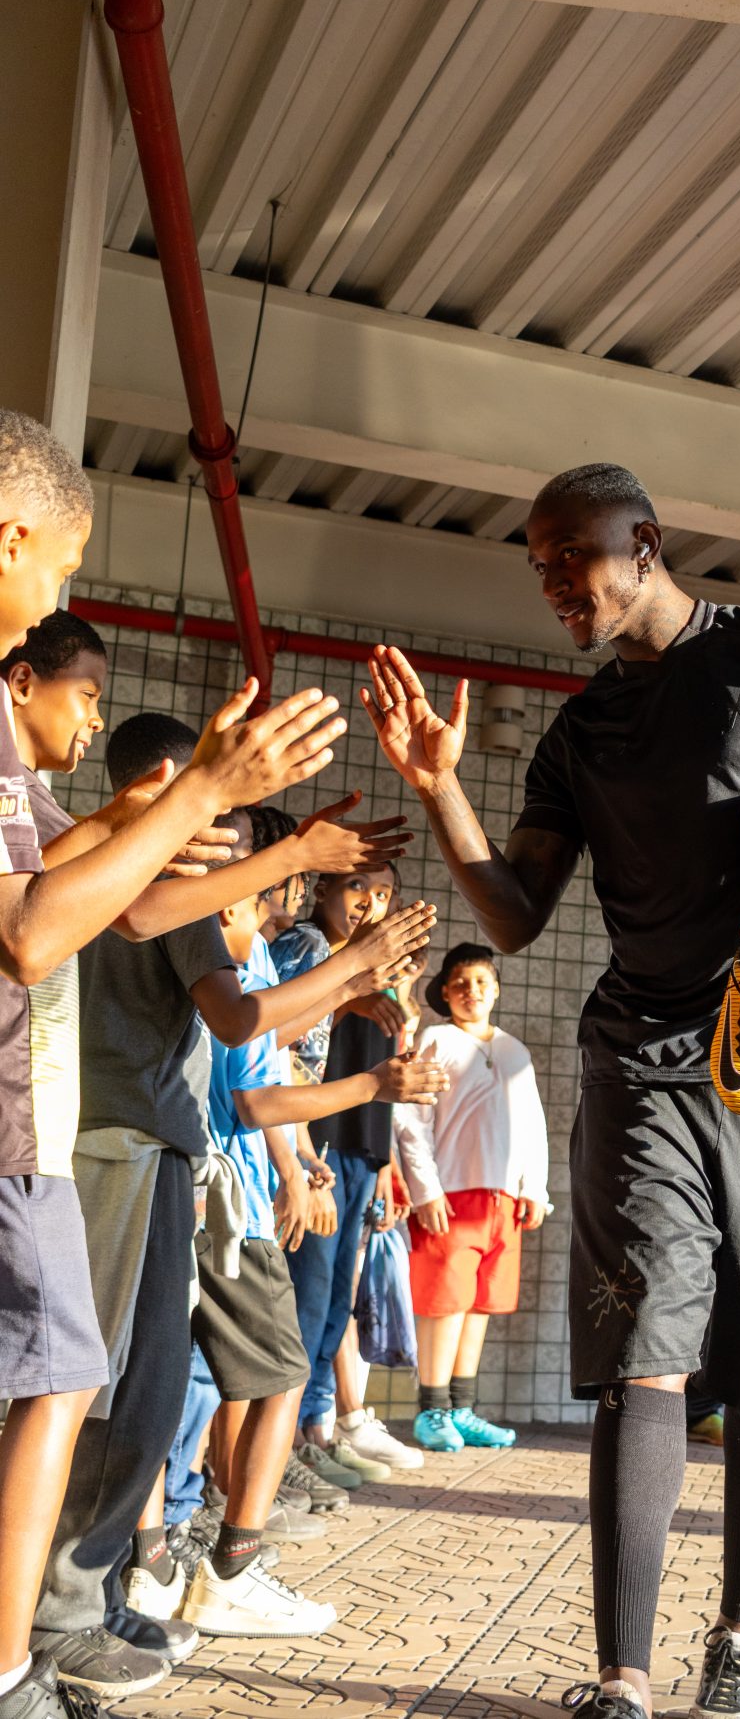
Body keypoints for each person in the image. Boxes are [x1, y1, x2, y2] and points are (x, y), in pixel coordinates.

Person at [361, 462, 740, 1719]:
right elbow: (515, 916)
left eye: (569, 556)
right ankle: (623, 1679)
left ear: (643, 542)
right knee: (646, 1354)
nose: (551, 584)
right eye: (536, 565)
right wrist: (438, 787)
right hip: (640, 1057)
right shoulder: (581, 734)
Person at [0, 411, 353, 1719]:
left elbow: (64, 884)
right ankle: (31, 1645)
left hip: (84, 1130)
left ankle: (59, 1620)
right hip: (71, 1131)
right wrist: (206, 804)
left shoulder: (51, 787)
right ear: (11, 539)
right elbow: (54, 928)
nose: (61, 594)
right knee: (69, 1383)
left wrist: (175, 818)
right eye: (60, 566)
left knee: (99, 1384)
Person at [32, 712, 435, 1699]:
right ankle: (64, 1615)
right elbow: (239, 1021)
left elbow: (238, 1020)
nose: (236, 817)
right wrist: (348, 961)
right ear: (172, 783)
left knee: (132, 1393)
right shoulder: (151, 876)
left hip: (139, 1147)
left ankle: (95, 1596)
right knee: (111, 1399)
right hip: (125, 1147)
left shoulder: (118, 863)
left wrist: (343, 969)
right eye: (226, 787)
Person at [179, 867, 432, 1635]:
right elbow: (255, 1088)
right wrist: (366, 1085)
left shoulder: (252, 956)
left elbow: (268, 1046)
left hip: (240, 1180)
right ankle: (222, 1554)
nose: (368, 904)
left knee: (208, 1372)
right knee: (261, 1371)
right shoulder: (265, 953)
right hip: (231, 1191)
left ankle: (169, 1543)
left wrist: (300, 1156)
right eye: (269, 888)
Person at [276, 866, 442, 1478]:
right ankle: (285, 1442)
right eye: (358, 887)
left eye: (384, 894)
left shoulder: (383, 974)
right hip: (316, 1145)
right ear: (321, 889)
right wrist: (350, 995)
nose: (371, 902)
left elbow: (390, 1084)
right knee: (308, 1296)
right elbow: (275, 1040)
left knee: (335, 1303)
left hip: (363, 1152)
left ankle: (314, 1430)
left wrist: (388, 1166)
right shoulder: (313, 952)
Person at [396, 943, 550, 1452]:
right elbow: (411, 1119)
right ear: (445, 992)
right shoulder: (434, 1039)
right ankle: (432, 1411)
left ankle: (462, 1410)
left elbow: (533, 1126)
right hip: (449, 1193)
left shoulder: (515, 1051)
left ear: (497, 989)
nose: (472, 991)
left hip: (503, 1198)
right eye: (461, 983)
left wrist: (534, 1188)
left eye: (482, 982)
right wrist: (425, 1189)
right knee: (444, 1303)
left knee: (480, 1304)